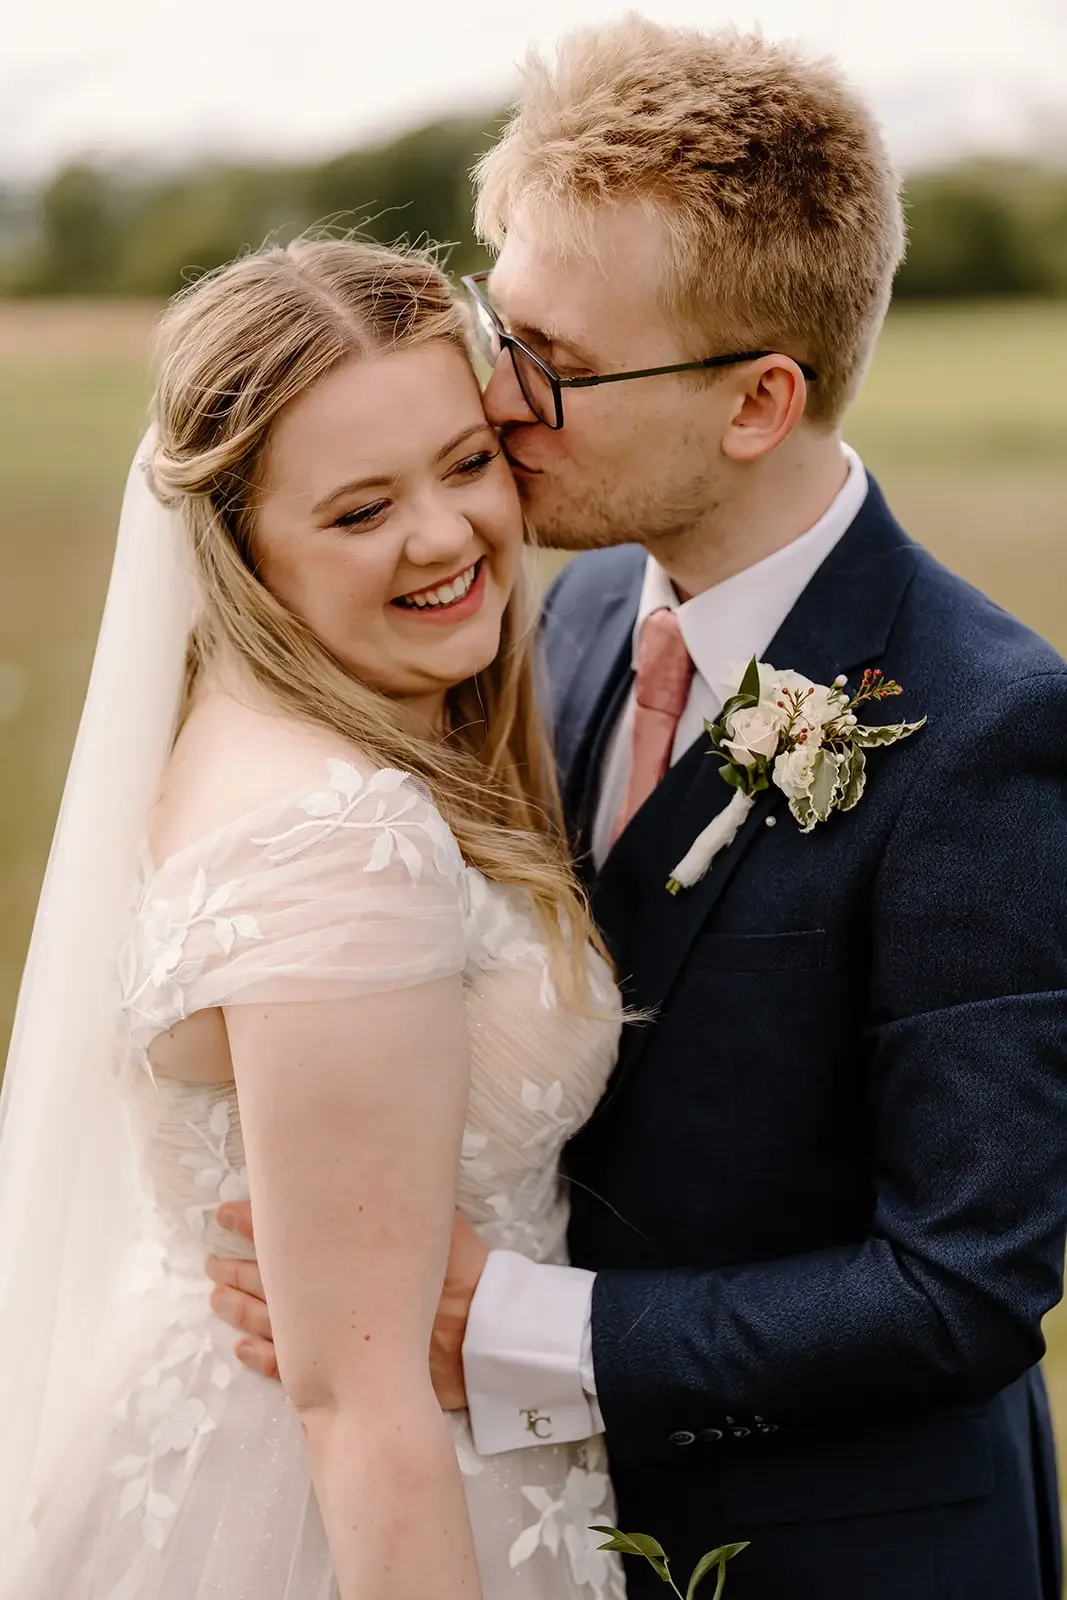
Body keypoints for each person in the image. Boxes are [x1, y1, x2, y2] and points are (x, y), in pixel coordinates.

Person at [212, 21, 1067, 1600]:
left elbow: (963, 1286)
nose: (498, 399)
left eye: (564, 367)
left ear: (756, 402)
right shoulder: (572, 609)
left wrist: (502, 1327)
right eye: (500, 325)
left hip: (843, 1557)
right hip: (539, 1531)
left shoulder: (990, 727)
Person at [0, 236, 628, 1600]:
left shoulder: (236, 728)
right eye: (356, 512)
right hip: (329, 1525)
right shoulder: (346, 845)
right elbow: (359, 1406)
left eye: (466, 463)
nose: (444, 535)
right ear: (237, 544)